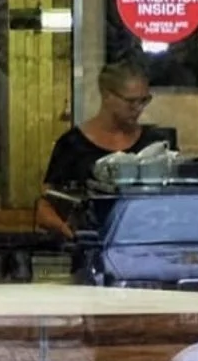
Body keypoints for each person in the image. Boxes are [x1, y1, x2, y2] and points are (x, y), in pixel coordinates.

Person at [36, 60, 163, 240]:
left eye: (144, 100)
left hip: (146, 244)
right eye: (131, 101)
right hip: (90, 245)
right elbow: (46, 207)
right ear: (106, 95)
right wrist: (66, 230)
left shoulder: (154, 145)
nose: (138, 109)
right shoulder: (72, 145)